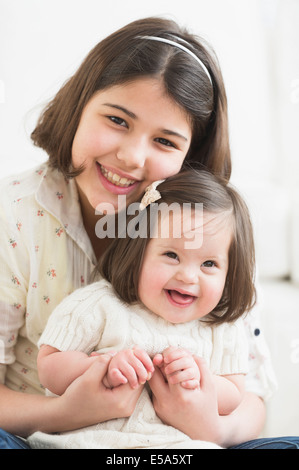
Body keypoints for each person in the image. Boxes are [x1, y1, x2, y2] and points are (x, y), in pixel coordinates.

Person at [0, 15, 295, 449]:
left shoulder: (213, 231)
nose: (132, 157)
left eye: (165, 141)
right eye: (118, 120)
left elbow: (250, 401)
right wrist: (66, 413)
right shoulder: (16, 216)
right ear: (79, 106)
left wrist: (208, 428)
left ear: (191, 156)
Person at [28, 169, 255, 448]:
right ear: (138, 251)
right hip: (93, 443)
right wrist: (100, 367)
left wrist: (200, 381)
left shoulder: (221, 327)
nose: (188, 276)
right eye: (171, 255)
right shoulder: (100, 305)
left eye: (209, 264)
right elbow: (49, 366)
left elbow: (234, 394)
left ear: (230, 273)